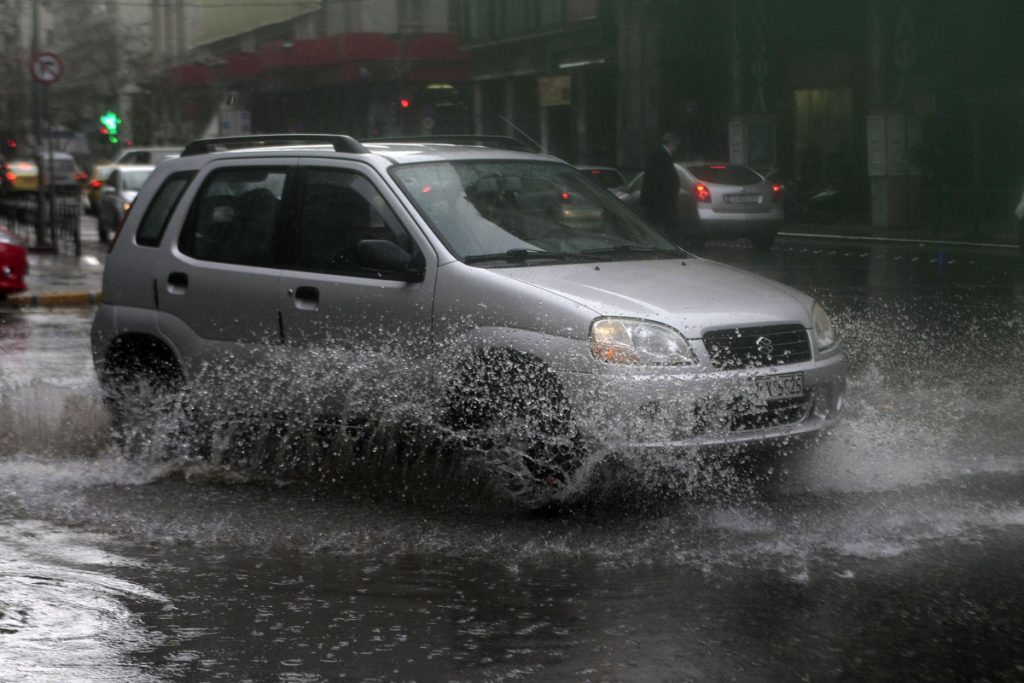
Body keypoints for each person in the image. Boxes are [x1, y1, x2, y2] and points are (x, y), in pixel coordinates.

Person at [640, 132, 681, 238]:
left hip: (657, 199)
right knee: (661, 227)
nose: (675, 150)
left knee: (654, 226)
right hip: (659, 200)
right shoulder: (662, 155)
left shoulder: (657, 154)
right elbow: (664, 179)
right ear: (672, 144)